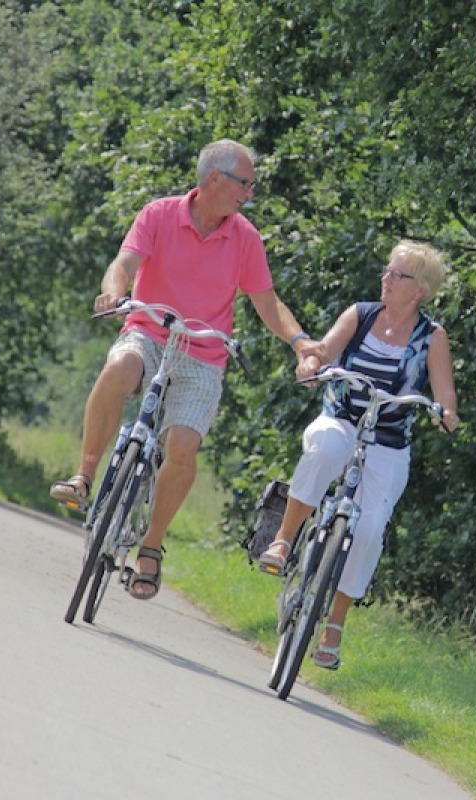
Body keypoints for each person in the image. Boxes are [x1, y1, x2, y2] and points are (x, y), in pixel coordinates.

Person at [50, 138, 322, 600]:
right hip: (149, 330)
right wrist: (114, 293)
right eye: (245, 184)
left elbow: (266, 302)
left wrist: (300, 343)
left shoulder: (245, 238)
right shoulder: (159, 214)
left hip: (203, 352)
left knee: (182, 445)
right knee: (120, 368)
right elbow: (125, 263)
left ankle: (151, 547)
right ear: (214, 179)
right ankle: (85, 476)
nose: (249, 194)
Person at [258, 239, 460, 670]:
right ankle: (283, 541)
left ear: (419, 289)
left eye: (397, 275)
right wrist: (311, 366)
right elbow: (324, 352)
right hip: (344, 419)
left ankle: (333, 627)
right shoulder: (361, 314)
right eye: (387, 271)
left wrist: (445, 416)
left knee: (368, 531)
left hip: (388, 443)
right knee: (325, 446)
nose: (386, 279)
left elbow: (445, 399)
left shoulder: (433, 337)